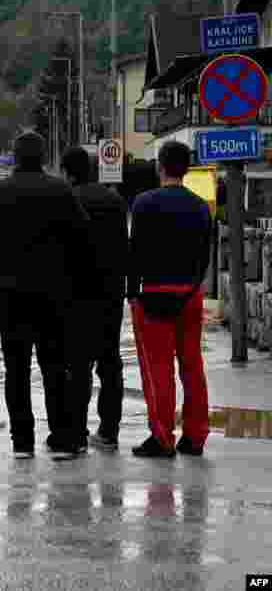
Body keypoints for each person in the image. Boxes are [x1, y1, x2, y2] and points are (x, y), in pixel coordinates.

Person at [0, 130, 91, 459]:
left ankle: (22, 442)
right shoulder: (61, 190)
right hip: (53, 293)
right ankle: (62, 436)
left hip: (10, 294)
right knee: (54, 366)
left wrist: (0, 268)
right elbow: (82, 237)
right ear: (41, 158)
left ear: (15, 156)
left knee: (16, 368)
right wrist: (64, 270)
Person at [126, 140, 212, 458]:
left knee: (158, 369)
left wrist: (132, 292)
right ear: (186, 169)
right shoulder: (201, 206)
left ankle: (162, 438)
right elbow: (206, 255)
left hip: (154, 295)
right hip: (190, 295)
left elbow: (134, 254)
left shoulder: (143, 203)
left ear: (160, 166)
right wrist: (194, 286)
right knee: (192, 365)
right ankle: (195, 437)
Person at [61, 146, 128, 452]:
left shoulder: (67, 200)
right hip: (110, 294)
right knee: (110, 363)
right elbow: (125, 247)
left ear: (68, 172)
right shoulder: (114, 200)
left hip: (75, 295)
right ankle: (109, 431)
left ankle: (76, 432)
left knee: (77, 366)